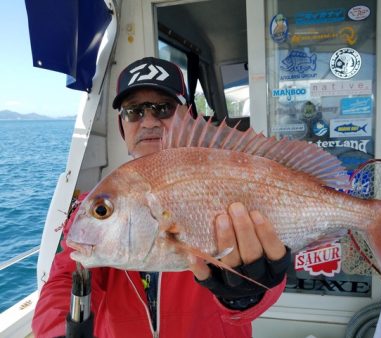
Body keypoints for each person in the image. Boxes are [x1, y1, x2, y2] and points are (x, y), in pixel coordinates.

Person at [32, 57, 290, 338]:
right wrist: (58, 331)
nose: (149, 121)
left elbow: (264, 283)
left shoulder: (221, 170)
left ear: (186, 119)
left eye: (163, 109)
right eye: (134, 111)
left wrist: (244, 297)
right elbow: (64, 278)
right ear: (123, 127)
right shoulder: (99, 203)